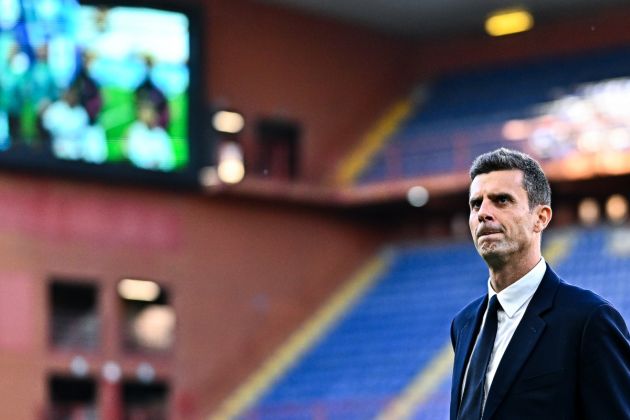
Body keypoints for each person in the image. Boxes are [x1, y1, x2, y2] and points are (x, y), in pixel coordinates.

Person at [450, 148, 630, 420]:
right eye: (476, 204)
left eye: (501, 200)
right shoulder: (463, 324)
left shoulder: (588, 319)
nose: (483, 213)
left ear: (541, 217)